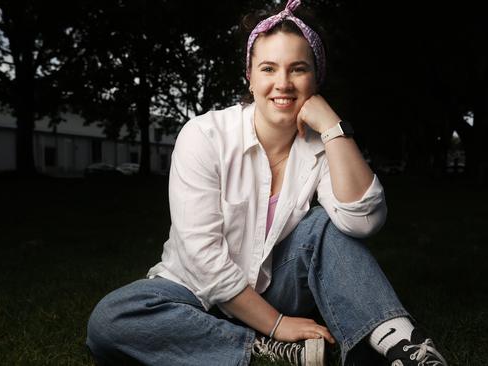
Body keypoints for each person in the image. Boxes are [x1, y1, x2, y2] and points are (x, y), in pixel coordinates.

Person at [86, 1, 448, 365]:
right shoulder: (204, 135)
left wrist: (334, 128)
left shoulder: (323, 147)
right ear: (250, 75)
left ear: (316, 77)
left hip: (275, 287)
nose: (283, 83)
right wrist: (276, 326)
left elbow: (363, 220)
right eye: (268, 68)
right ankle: (266, 348)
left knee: (326, 225)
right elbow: (203, 259)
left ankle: (408, 348)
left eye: (298, 69)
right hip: (192, 293)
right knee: (110, 320)